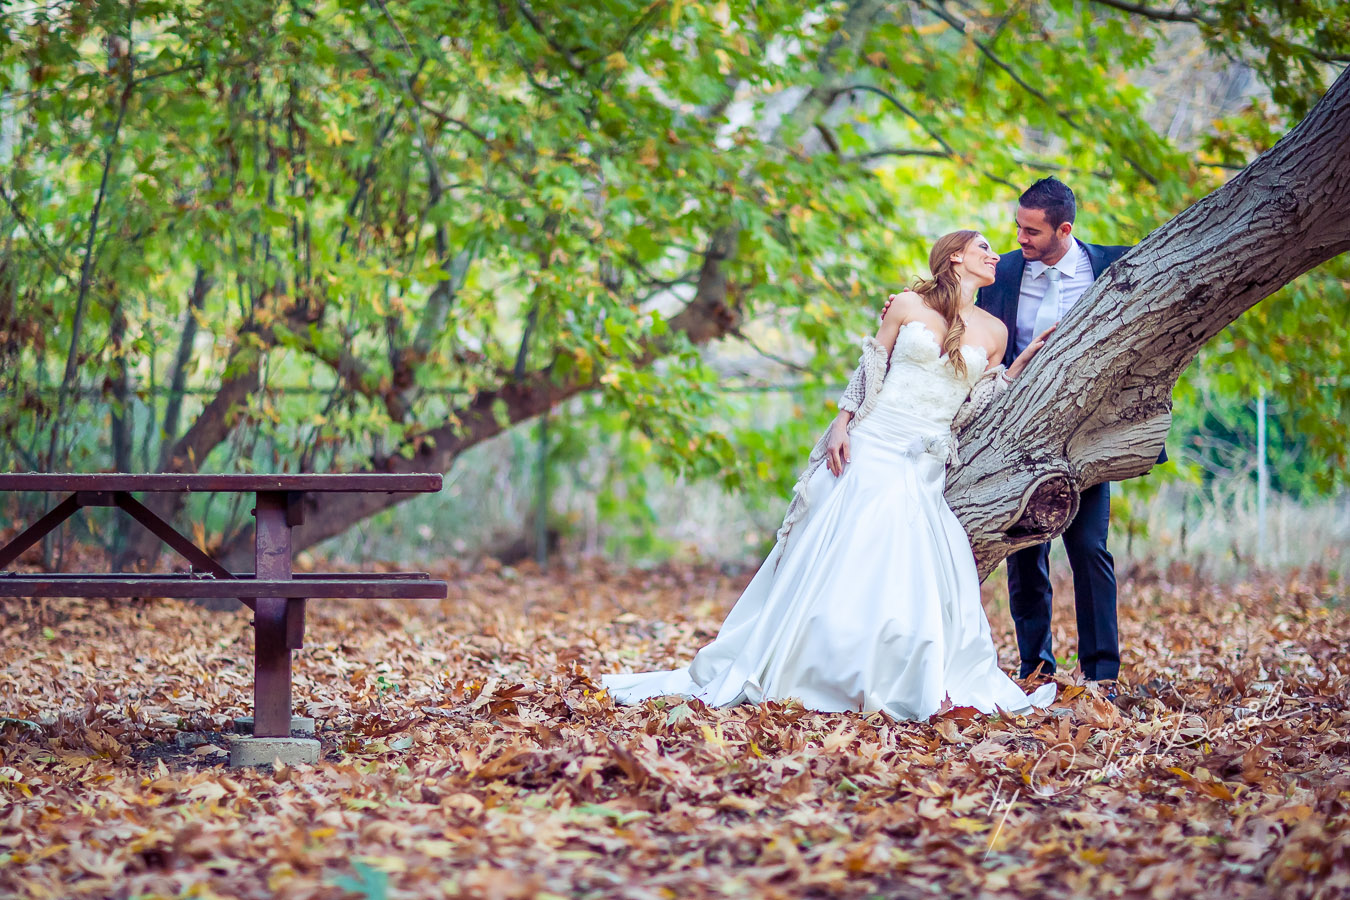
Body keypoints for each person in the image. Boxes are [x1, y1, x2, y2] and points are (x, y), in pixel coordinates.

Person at [603, 231, 1057, 720]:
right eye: (984, 247)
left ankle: (890, 671)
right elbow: (870, 368)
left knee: (911, 565)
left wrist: (1017, 369)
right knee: (844, 548)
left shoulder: (994, 332)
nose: (995, 256)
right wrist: (843, 422)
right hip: (873, 441)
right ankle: (812, 668)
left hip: (924, 459)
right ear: (954, 256)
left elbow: (976, 407)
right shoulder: (906, 304)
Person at [887, 178, 1140, 692]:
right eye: (1017, 227)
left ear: (1064, 229)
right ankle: (1036, 666)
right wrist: (906, 307)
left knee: (1090, 549)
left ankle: (1102, 671)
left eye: (1032, 231)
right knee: (1025, 552)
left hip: (1085, 435)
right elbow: (955, 316)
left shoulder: (1115, 265)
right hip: (1015, 431)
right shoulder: (1000, 272)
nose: (1018, 239)